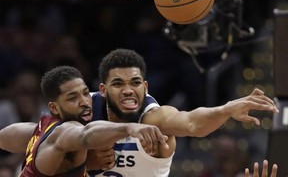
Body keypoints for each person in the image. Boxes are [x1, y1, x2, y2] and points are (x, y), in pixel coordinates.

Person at [87, 48, 279, 177]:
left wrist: (225, 109)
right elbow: (57, 143)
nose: (128, 90)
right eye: (118, 83)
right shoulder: (82, 110)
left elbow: (191, 123)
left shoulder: (154, 118)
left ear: (145, 87)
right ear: (103, 90)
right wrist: (83, 161)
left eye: (135, 83)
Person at [0, 65, 169, 176]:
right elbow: (85, 134)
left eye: (86, 93)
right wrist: (129, 128)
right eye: (73, 98)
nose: (85, 102)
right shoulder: (65, 130)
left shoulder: (40, 128)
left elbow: (6, 136)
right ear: (54, 107)